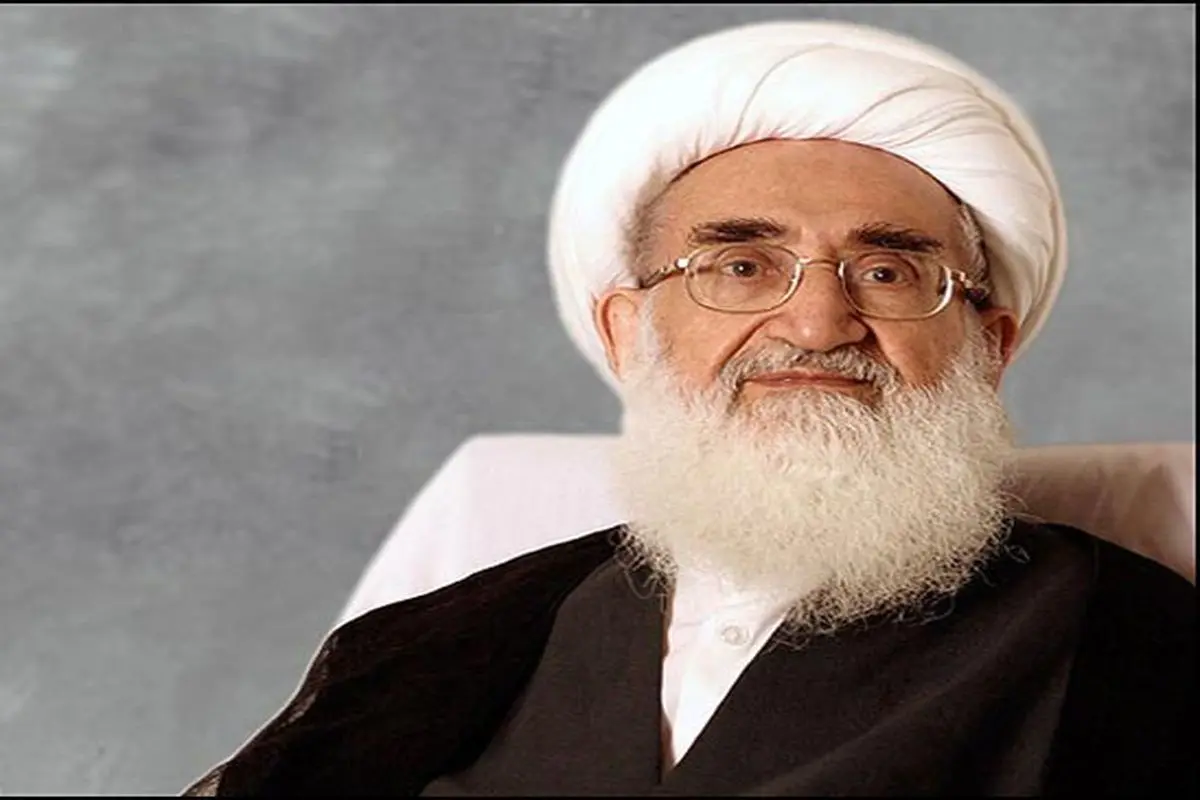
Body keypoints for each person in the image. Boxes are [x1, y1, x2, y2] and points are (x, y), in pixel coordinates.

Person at [183, 19, 1193, 796]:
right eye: (742, 266)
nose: (818, 323)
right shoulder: (445, 642)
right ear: (628, 333)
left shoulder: (1140, 647)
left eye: (887, 271)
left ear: (989, 346)